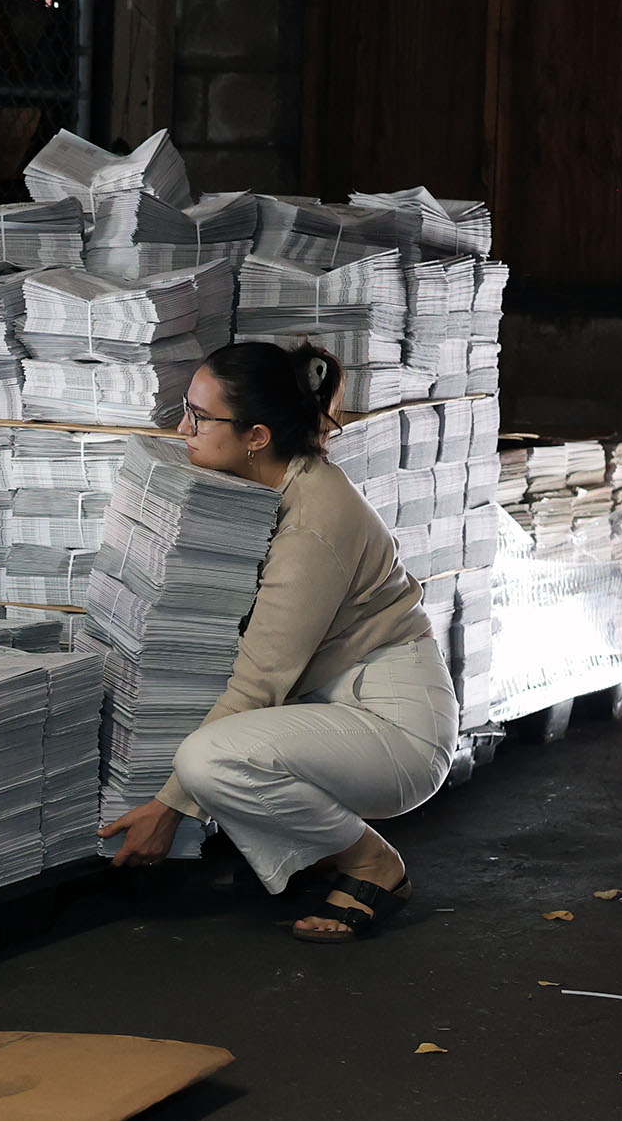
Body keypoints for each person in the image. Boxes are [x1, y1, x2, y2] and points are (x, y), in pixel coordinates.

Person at [97, 343, 457, 941]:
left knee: (207, 759)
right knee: (209, 739)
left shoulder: (315, 522)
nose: (181, 429)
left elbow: (261, 680)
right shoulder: (262, 489)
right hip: (334, 705)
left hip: (396, 729)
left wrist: (168, 808)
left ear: (256, 436)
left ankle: (372, 862)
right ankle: (310, 854)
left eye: (199, 418)